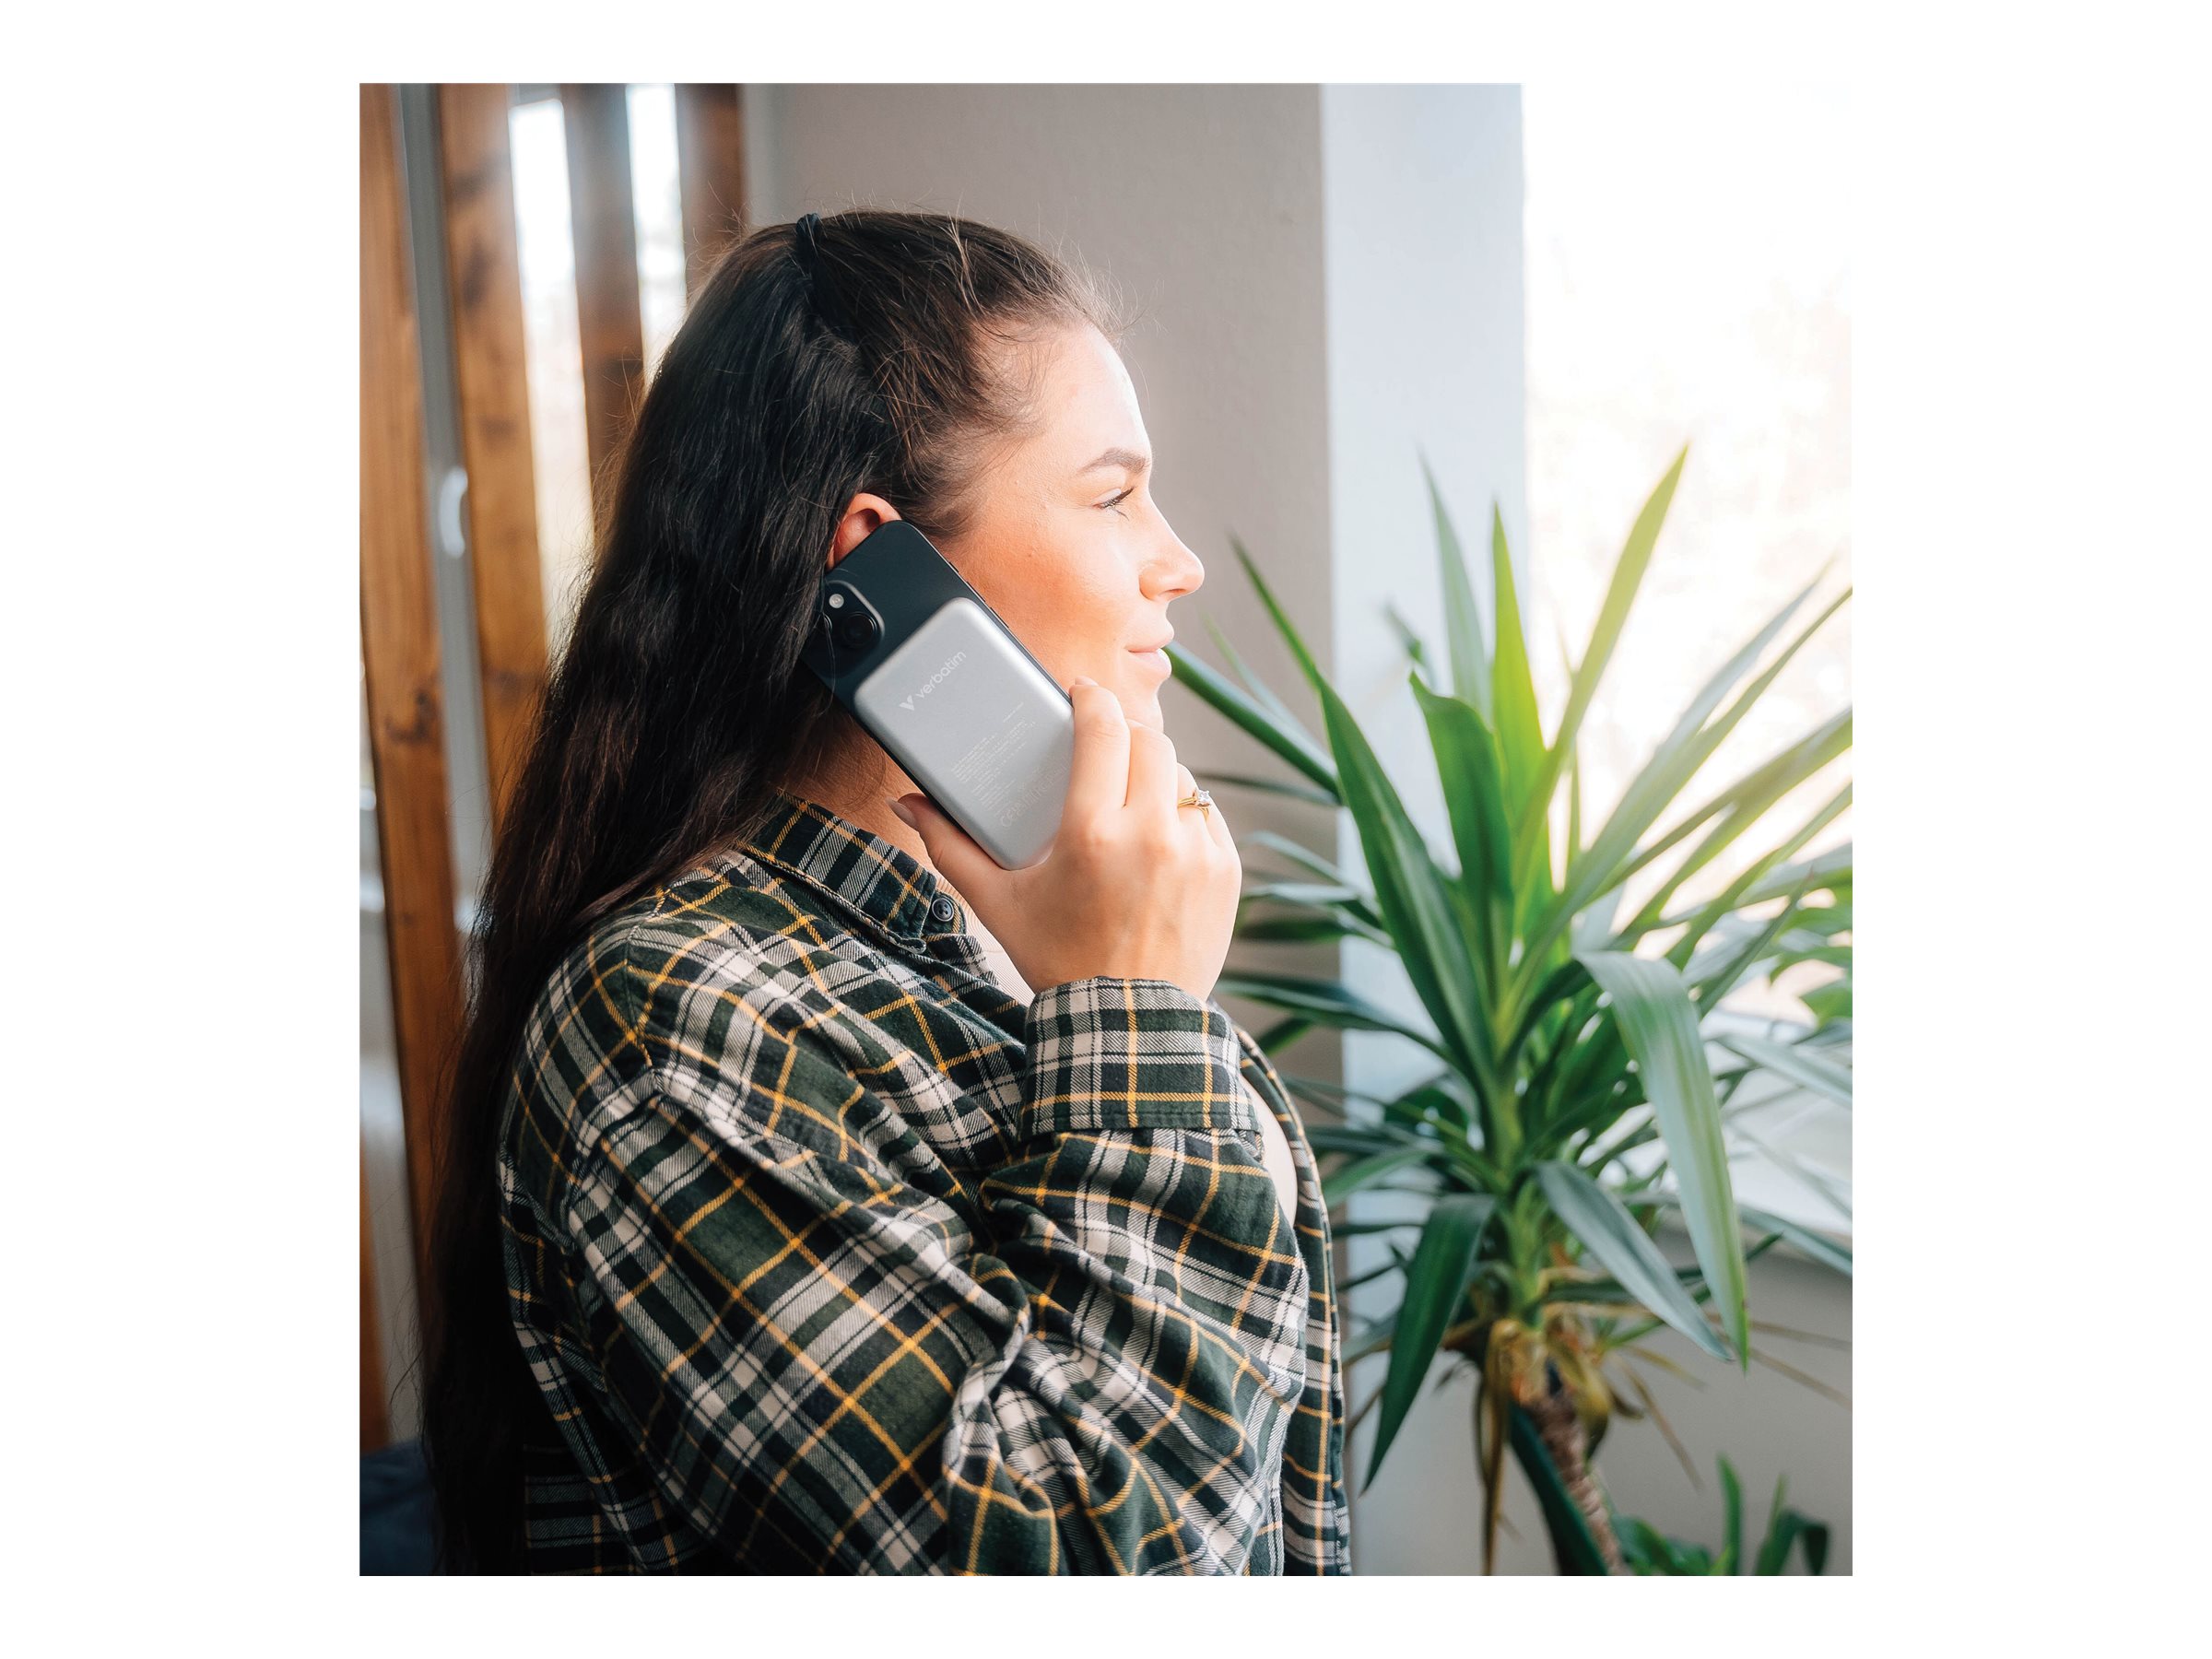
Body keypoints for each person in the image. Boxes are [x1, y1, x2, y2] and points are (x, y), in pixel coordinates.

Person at [421, 207, 1348, 1575]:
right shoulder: (680, 1021)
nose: (1180, 560)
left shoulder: (1017, 932)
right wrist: (1136, 1015)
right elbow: (1085, 1564)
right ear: (875, 562)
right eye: (1112, 496)